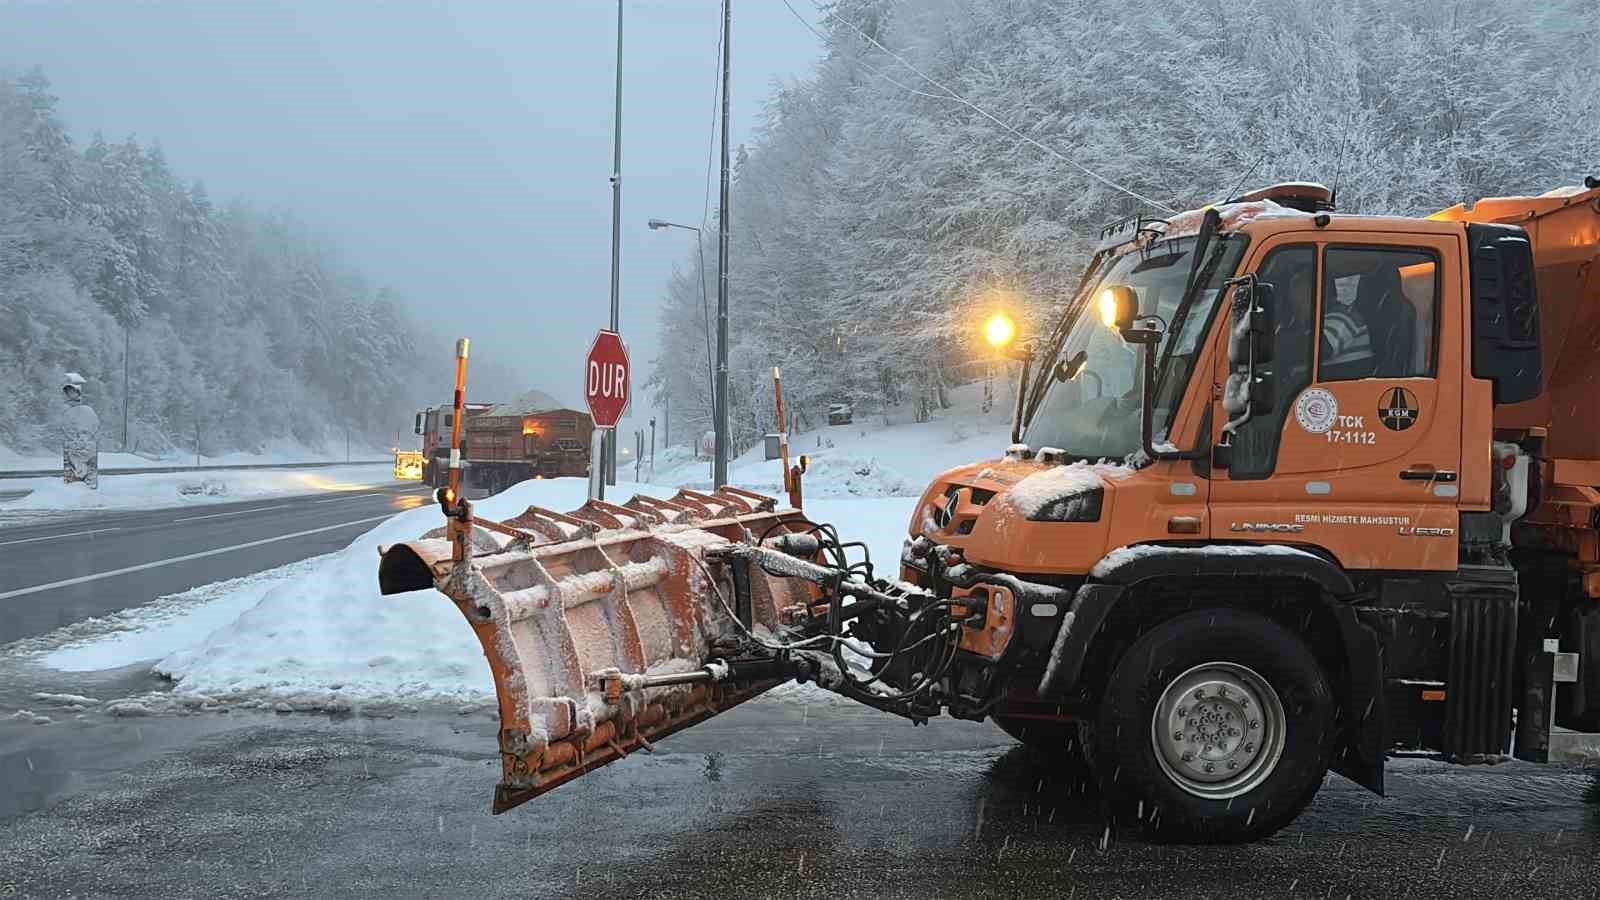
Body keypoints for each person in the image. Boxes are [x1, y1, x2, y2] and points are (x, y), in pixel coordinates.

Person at [61, 372, 100, 489]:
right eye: (68, 393)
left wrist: (84, 437)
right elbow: (65, 428)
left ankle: (87, 490)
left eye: (73, 392)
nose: (70, 395)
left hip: (85, 449)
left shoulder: (87, 412)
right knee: (73, 476)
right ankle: (75, 488)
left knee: (87, 477)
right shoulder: (68, 413)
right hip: (73, 449)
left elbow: (94, 425)